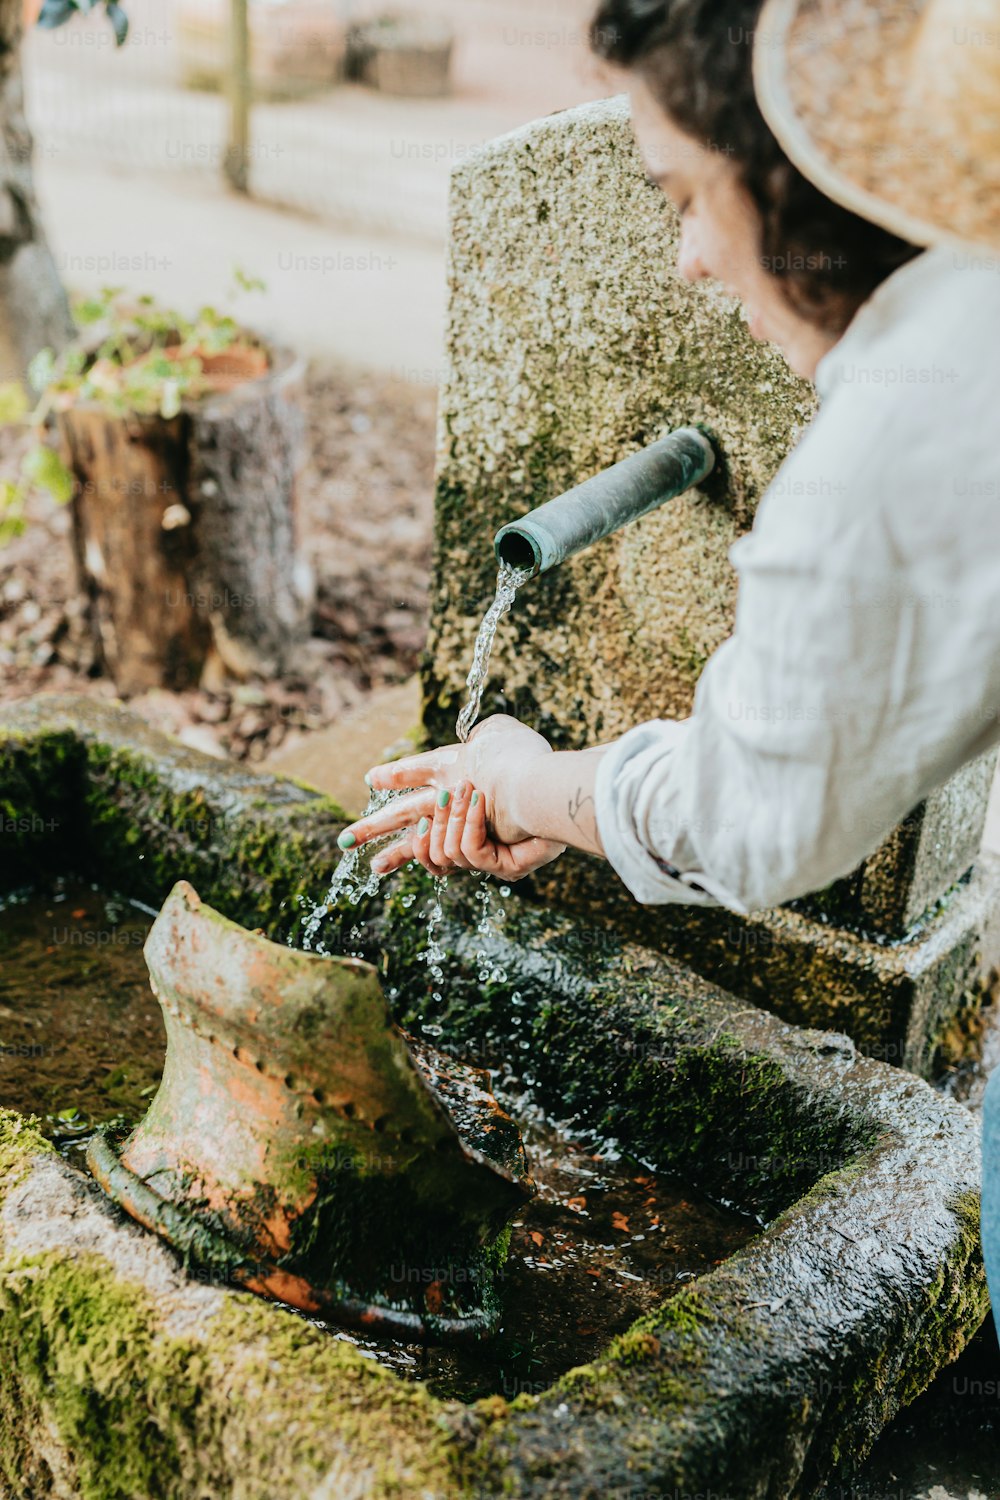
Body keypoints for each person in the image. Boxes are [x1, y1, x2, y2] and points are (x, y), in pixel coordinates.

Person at [337, 0, 1000, 933]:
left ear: (790, 180)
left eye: (685, 197)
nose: (688, 260)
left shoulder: (896, 442)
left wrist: (518, 781)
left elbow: (745, 821)